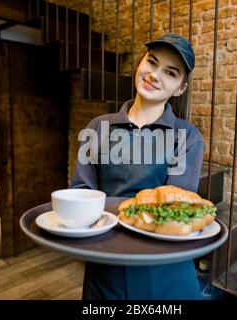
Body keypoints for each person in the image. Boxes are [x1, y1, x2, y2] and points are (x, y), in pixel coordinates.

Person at [69, 33, 205, 300]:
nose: (155, 75)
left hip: (165, 269)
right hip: (107, 263)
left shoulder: (187, 137)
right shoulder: (97, 127)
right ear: (140, 63)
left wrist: (114, 207)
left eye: (170, 72)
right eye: (152, 62)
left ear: (180, 89)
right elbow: (83, 192)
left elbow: (174, 210)